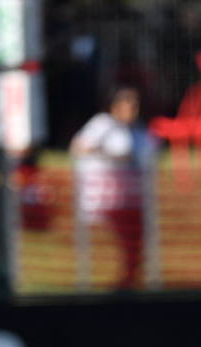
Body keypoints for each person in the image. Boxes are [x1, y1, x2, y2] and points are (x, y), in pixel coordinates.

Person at [71, 87, 153, 289]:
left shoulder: (139, 131)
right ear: (116, 106)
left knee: (133, 245)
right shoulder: (103, 124)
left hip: (129, 199)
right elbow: (79, 146)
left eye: (135, 106)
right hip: (102, 199)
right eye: (128, 105)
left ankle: (127, 280)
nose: (132, 110)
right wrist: (112, 155)